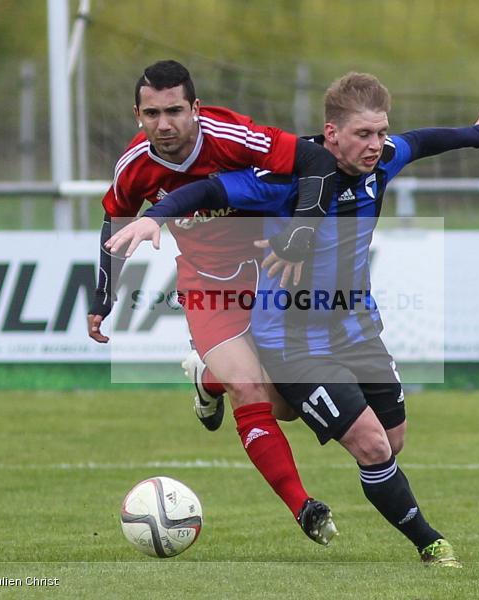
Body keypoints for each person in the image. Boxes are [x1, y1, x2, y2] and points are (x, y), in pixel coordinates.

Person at [115, 72, 479, 566]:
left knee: (391, 441)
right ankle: (431, 544)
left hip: (357, 328)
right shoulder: (285, 178)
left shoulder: (382, 160)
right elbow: (209, 191)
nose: (376, 145)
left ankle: (210, 377)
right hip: (293, 340)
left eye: (380, 132)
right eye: (363, 134)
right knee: (371, 446)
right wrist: (154, 216)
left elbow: (422, 141)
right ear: (331, 133)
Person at [90, 60, 337, 545]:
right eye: (152, 114)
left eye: (174, 111)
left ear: (196, 109)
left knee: (285, 406)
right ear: (137, 115)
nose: (164, 124)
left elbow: (314, 162)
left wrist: (302, 232)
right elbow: (114, 222)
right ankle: (303, 507)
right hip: (208, 285)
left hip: (271, 273)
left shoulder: (235, 136)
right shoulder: (135, 165)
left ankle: (206, 377)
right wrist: (103, 295)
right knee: (247, 388)